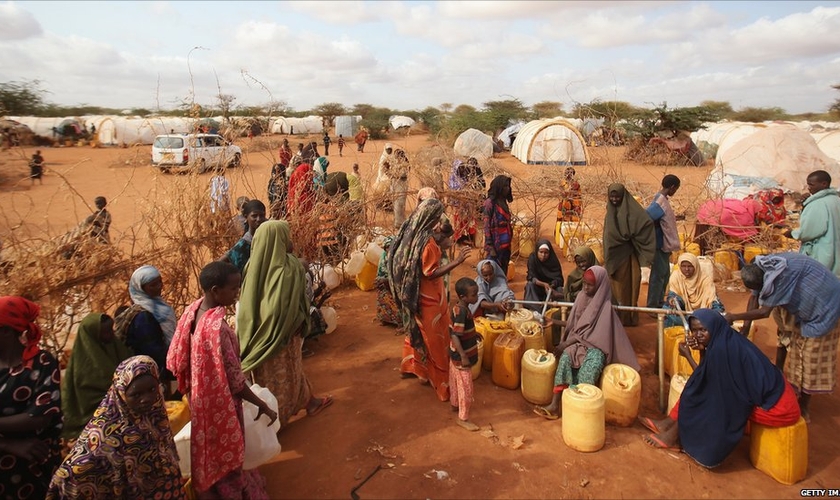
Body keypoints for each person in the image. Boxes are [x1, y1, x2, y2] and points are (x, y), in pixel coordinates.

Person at [168, 261, 277, 498]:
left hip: (199, 401)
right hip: (221, 404)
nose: (237, 292)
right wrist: (263, 406)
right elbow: (235, 381)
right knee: (228, 453)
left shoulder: (192, 311)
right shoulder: (217, 328)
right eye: (234, 288)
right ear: (215, 290)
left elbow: (175, 358)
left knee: (210, 453)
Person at [640, 309, 800, 467]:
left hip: (777, 407)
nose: (698, 335)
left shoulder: (722, 350)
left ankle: (678, 437)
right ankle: (670, 423)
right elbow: (706, 375)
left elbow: (708, 382)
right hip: (774, 394)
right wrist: (702, 351)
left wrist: (688, 355)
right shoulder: (724, 338)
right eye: (695, 331)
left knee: (706, 399)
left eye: (703, 330)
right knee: (697, 387)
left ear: (714, 327)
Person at [46, 356, 185, 499]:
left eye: (152, 389)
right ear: (121, 394)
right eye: (136, 394)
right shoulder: (105, 434)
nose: (147, 398)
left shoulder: (155, 415)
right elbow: (70, 474)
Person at [236, 221, 333, 426]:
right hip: (285, 334)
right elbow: (299, 303)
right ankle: (277, 418)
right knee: (289, 372)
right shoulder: (290, 268)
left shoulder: (251, 267)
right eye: (285, 236)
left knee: (266, 377)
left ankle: (309, 401)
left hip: (256, 335)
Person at [725, 253, 840, 422]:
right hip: (802, 302)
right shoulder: (761, 266)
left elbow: (764, 312)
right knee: (790, 340)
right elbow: (754, 297)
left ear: (766, 280)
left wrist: (733, 317)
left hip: (825, 306)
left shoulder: (781, 277)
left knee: (809, 358)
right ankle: (780, 376)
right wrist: (745, 328)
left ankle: (804, 407)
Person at [388, 199, 470, 401]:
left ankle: (417, 369)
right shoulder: (428, 244)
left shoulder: (412, 233)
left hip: (416, 296)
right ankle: (442, 384)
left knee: (419, 332)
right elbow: (431, 272)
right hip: (429, 299)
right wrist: (457, 261)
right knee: (437, 339)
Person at [534, 266, 641, 419]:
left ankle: (582, 408)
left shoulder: (606, 308)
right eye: (584, 283)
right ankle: (555, 405)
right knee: (565, 358)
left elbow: (596, 336)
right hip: (577, 343)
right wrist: (556, 322)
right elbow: (576, 326)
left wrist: (567, 342)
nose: (585, 287)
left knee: (592, 365)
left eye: (589, 285)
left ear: (599, 285)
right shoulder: (581, 298)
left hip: (596, 347)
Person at [0, 296, 63, 499]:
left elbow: (39, 416)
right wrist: (7, 444)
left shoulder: (41, 363)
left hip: (35, 465)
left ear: (6, 331)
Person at [61, 313, 132, 443]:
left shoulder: (115, 346)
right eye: (106, 332)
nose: (111, 334)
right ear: (93, 335)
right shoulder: (84, 363)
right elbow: (88, 396)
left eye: (111, 330)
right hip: (95, 419)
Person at [114, 265, 178, 392]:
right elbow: (153, 350)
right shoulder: (143, 316)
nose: (159, 286)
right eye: (153, 285)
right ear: (141, 289)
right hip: (149, 372)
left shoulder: (159, 307)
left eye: (160, 281)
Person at [603, 183, 655, 326]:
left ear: (623, 196)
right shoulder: (610, 211)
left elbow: (645, 224)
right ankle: (616, 318)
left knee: (630, 287)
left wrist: (629, 238)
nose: (614, 199)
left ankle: (628, 317)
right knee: (615, 287)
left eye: (617, 196)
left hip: (627, 257)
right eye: (612, 196)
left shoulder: (632, 211)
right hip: (613, 256)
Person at [785, 170, 840, 277]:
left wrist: (792, 233)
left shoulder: (818, 204)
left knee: (819, 281)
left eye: (811, 184)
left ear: (824, 184)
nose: (809, 188)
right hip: (835, 249)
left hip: (822, 252)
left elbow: (808, 231)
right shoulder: (836, 200)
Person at [645, 174, 682, 309]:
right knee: (658, 275)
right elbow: (647, 217)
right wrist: (656, 228)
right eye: (676, 189)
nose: (675, 192)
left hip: (665, 245)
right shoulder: (659, 202)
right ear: (672, 187)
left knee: (664, 274)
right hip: (660, 244)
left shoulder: (662, 200)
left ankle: (659, 301)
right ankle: (653, 304)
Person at [449, 277, 481, 432]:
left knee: (455, 382)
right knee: (466, 388)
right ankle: (463, 418)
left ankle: (455, 404)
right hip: (462, 357)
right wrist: (463, 356)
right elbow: (455, 334)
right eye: (474, 295)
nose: (476, 297)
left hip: (454, 354)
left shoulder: (460, 308)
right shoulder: (462, 311)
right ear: (463, 297)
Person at [664, 253, 724, 327]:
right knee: (666, 310)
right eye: (683, 266)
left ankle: (697, 322)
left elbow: (712, 299)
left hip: (703, 311)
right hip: (684, 310)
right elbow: (674, 295)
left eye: (690, 266)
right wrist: (673, 301)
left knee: (718, 315)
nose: (687, 269)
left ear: (695, 266)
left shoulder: (705, 279)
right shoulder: (676, 276)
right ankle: (694, 323)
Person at [220, 199, 267, 275]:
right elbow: (223, 261)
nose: (258, 219)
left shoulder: (270, 235)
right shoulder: (245, 243)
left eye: (262, 215)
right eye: (254, 216)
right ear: (246, 217)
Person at [448, 159, 485, 246]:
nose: (462, 170)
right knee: (459, 222)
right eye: (460, 168)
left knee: (469, 222)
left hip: (469, 206)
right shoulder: (453, 179)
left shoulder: (467, 178)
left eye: (463, 167)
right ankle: (459, 239)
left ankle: (469, 238)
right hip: (459, 206)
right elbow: (452, 194)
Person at [483, 175, 514, 276]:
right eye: (505, 186)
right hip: (495, 245)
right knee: (491, 271)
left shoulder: (503, 202)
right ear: (498, 187)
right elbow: (486, 225)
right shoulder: (490, 203)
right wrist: (490, 246)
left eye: (508, 186)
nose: (507, 188)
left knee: (503, 271)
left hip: (506, 244)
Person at [523, 239, 564, 310]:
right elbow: (531, 277)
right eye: (541, 252)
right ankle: (536, 309)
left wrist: (551, 285)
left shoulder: (553, 261)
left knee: (560, 289)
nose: (543, 255)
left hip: (551, 289)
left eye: (546, 253)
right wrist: (544, 284)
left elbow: (559, 279)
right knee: (529, 285)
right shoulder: (533, 258)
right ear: (537, 251)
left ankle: (558, 312)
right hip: (538, 287)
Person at [375, 237, 401, 327]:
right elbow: (381, 272)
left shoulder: (397, 257)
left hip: (395, 282)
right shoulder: (383, 257)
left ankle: (399, 322)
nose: (388, 249)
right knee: (381, 292)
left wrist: (388, 280)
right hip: (385, 280)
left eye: (390, 247)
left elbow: (398, 274)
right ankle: (384, 318)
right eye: (387, 247)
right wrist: (381, 280)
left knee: (395, 295)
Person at [390, 149, 411, 228]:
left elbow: (403, 175)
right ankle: (397, 221)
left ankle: (400, 223)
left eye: (396, 155)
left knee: (400, 204)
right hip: (395, 186)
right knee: (395, 204)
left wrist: (394, 174)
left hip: (401, 186)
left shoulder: (404, 164)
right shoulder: (395, 163)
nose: (395, 157)